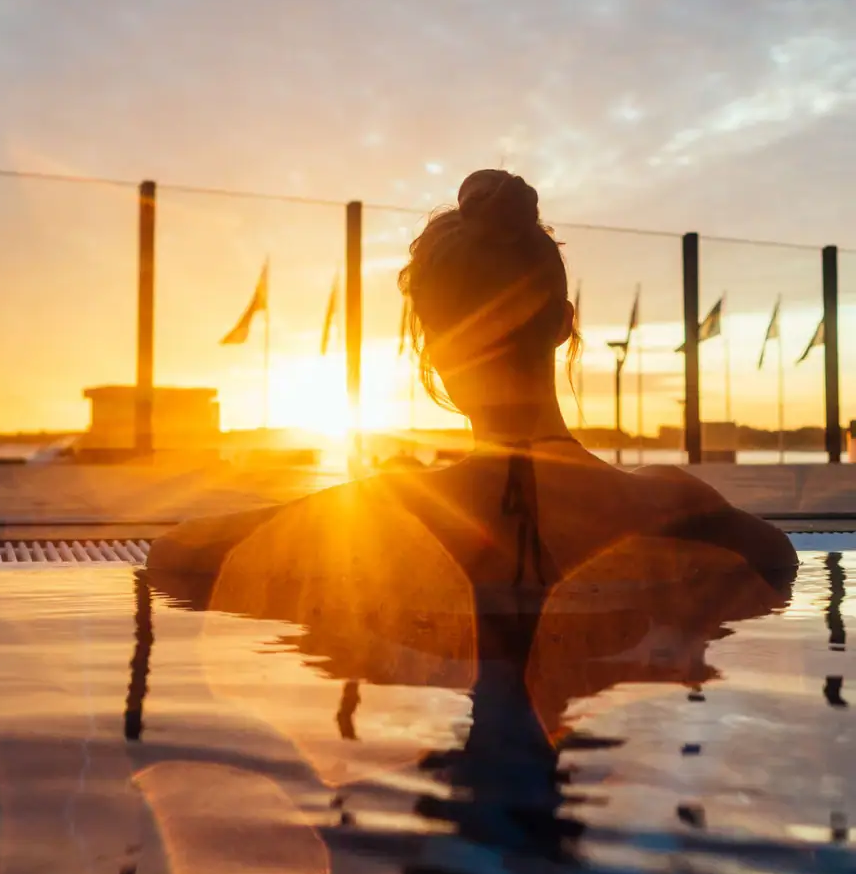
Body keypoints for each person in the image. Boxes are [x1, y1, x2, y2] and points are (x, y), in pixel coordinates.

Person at [147, 169, 798, 588]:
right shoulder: (670, 504)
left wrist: (329, 513)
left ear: (434, 344)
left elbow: (177, 555)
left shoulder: (389, 511)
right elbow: (779, 558)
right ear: (563, 324)